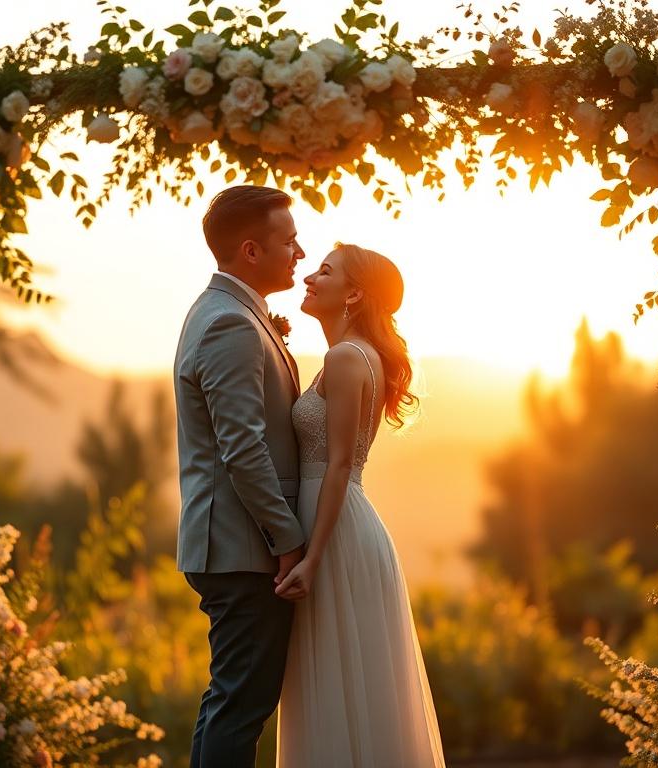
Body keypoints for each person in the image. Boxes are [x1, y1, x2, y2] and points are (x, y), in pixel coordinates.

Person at [274, 242, 446, 767]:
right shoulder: (350, 355)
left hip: (335, 533)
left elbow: (341, 465)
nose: (308, 277)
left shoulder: (347, 357)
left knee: (337, 680)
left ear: (353, 294)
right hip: (336, 521)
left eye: (323, 271)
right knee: (343, 685)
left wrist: (312, 557)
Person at [173, 185, 306, 767]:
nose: (300, 252)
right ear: (251, 251)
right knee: (240, 706)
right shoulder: (231, 323)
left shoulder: (229, 312)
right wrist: (289, 539)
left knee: (231, 702)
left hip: (233, 544)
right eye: (289, 240)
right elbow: (243, 450)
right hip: (242, 547)